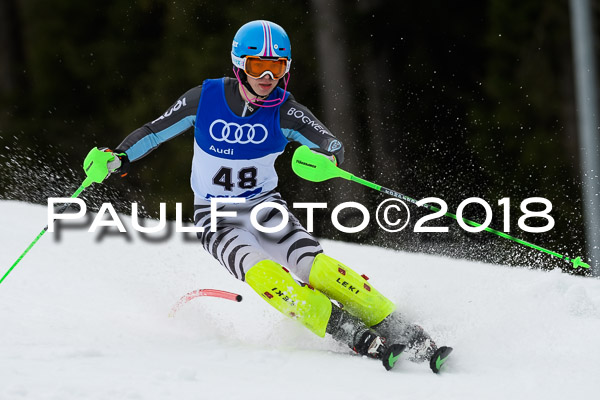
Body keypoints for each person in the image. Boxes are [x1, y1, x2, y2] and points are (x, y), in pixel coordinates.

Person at [86, 20, 438, 369]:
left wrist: (327, 158)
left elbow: (330, 143)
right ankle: (346, 330)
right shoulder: (205, 99)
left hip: (266, 209)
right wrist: (117, 156)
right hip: (216, 217)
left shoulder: (285, 109)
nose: (267, 77)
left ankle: (399, 326)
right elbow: (154, 131)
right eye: (258, 66)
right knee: (263, 273)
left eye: (277, 67)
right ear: (240, 64)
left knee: (318, 268)